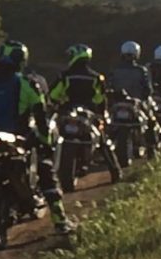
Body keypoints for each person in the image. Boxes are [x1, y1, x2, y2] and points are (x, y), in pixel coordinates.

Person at [0, 40, 75, 236]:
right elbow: (40, 113)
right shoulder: (27, 83)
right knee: (46, 170)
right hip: (20, 138)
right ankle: (60, 220)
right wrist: (46, 140)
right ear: (21, 61)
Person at [49, 43, 121, 179]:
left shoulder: (65, 76)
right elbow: (100, 99)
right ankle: (115, 172)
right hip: (89, 112)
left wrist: (56, 104)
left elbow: (53, 95)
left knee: (52, 138)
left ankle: (48, 169)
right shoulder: (96, 77)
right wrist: (102, 114)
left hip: (68, 110)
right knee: (103, 142)